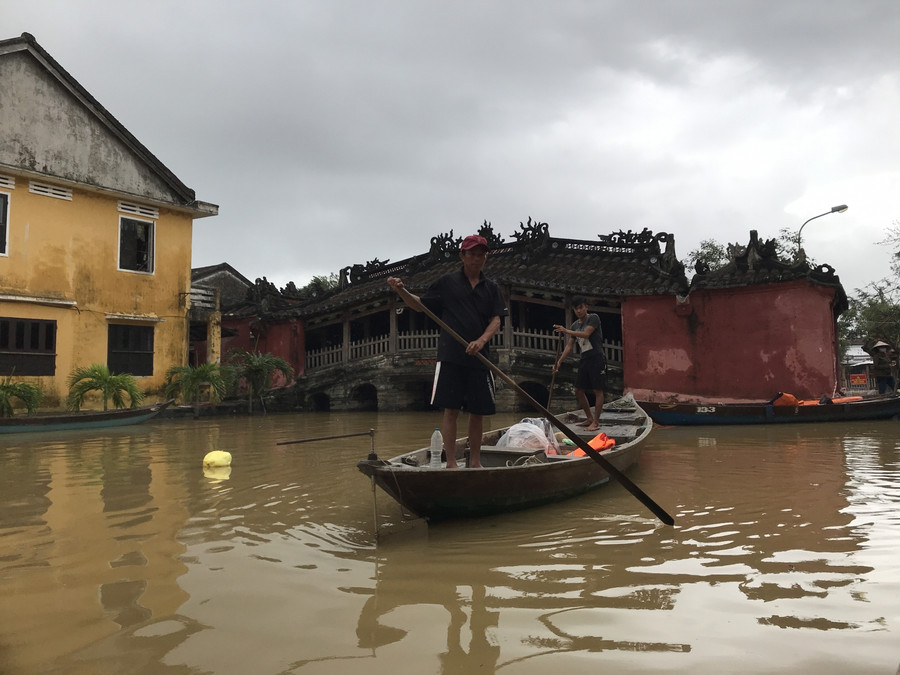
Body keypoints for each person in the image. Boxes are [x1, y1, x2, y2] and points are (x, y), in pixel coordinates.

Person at [386, 234, 508, 468]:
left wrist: (481, 341)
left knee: (477, 412)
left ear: (486, 257)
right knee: (451, 410)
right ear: (462, 256)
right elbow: (419, 305)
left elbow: (497, 320)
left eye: (481, 254)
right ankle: (451, 462)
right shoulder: (447, 282)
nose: (476, 258)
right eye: (471, 254)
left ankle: (474, 462)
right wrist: (401, 291)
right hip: (451, 355)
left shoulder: (491, 288)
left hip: (480, 357)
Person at [552, 296, 607, 431]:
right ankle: (589, 418)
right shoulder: (575, 325)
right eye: (576, 309)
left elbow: (586, 334)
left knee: (598, 390)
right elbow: (569, 346)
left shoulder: (593, 318)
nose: (579, 311)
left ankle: (596, 422)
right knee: (578, 389)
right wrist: (559, 362)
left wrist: (565, 331)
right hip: (585, 359)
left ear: (586, 307)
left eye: (581, 307)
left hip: (597, 358)